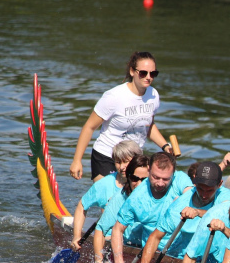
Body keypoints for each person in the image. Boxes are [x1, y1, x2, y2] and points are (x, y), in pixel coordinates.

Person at [70, 51, 173, 181]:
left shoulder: (153, 95)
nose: (148, 77)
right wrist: (77, 160)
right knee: (108, 199)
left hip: (133, 160)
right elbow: (89, 127)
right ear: (132, 71)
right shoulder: (114, 97)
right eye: (143, 73)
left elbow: (149, 125)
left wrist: (165, 146)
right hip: (107, 156)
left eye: (153, 74)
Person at [137, 161, 230, 263]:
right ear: (194, 182)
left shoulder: (228, 197)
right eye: (200, 188)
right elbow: (156, 236)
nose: (204, 195)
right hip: (188, 255)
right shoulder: (179, 206)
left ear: (220, 184)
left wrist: (198, 212)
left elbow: (225, 212)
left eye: (210, 190)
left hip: (219, 253)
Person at [110, 152, 191, 263]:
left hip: (184, 251)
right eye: (155, 177)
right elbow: (117, 229)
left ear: (173, 174)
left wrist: (183, 201)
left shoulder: (180, 179)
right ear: (148, 170)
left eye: (165, 179)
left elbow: (194, 195)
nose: (160, 183)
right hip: (154, 252)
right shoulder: (137, 198)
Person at [70, 140, 142, 250]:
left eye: (126, 161)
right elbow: (82, 206)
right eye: (118, 162)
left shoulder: (147, 182)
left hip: (139, 238)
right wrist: (76, 237)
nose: (122, 167)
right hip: (111, 239)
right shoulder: (104, 184)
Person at [92, 154, 149, 263]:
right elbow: (101, 229)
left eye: (144, 180)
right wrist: (98, 259)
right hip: (128, 246)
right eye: (135, 178)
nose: (139, 184)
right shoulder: (120, 198)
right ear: (128, 177)